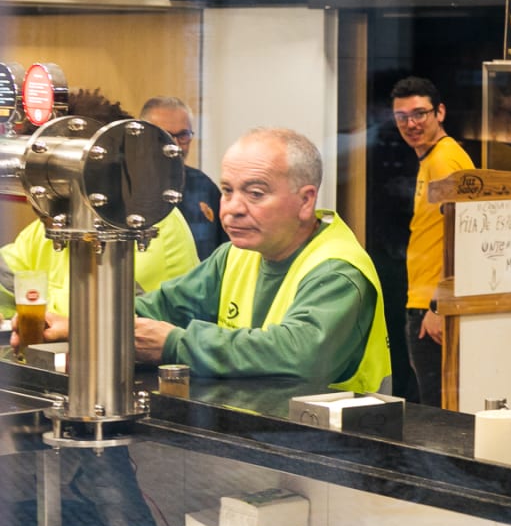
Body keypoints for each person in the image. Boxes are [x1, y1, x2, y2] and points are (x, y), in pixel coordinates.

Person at [114, 127, 390, 389]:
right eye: (227, 191)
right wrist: (102, 320)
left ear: (306, 201)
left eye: (255, 194)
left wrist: (176, 343)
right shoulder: (234, 256)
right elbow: (160, 307)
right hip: (258, 418)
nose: (233, 208)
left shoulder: (337, 271)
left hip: (340, 424)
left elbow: (297, 355)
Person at [5, 91, 200, 344]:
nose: (36, 200)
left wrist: (52, 319)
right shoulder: (52, 224)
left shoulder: (144, 223)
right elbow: (7, 275)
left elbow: (106, 316)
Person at [391, 76, 474, 406]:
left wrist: (439, 305)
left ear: (439, 112)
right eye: (402, 116)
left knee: (439, 413)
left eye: (419, 114)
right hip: (428, 302)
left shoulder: (443, 160)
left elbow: (466, 234)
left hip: (435, 309)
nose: (411, 124)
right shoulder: (433, 158)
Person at [139, 96, 227, 259]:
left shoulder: (203, 186)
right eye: (164, 136)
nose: (175, 145)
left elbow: (225, 251)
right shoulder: (127, 190)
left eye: (183, 135)